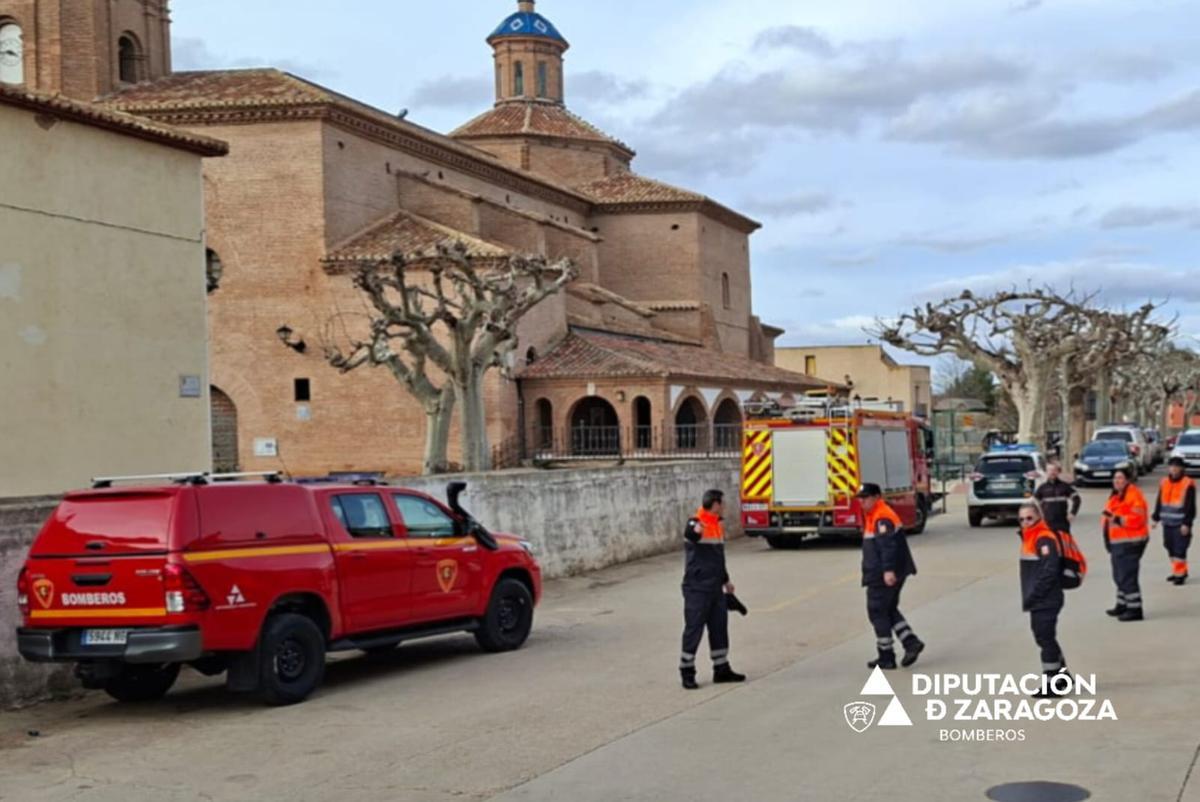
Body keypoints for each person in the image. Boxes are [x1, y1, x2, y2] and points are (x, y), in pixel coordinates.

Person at [679, 489, 745, 689]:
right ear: (715, 504)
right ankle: (687, 671)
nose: (724, 506)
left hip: (716, 587)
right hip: (697, 588)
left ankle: (721, 669)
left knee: (719, 629)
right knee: (694, 630)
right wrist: (696, 530)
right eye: (722, 503)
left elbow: (718, 558)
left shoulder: (717, 525)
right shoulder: (696, 522)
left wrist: (726, 581)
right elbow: (690, 533)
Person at [858, 483, 923, 670]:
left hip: (882, 574)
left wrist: (888, 571)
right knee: (888, 609)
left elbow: (887, 546)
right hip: (886, 571)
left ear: (876, 497)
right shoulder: (874, 514)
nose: (862, 501)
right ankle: (910, 642)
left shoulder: (882, 516)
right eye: (860, 498)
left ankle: (886, 656)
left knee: (877, 611)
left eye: (865, 498)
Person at [1017, 501, 1067, 697]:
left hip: (1046, 599)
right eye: (1022, 519)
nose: (1025, 522)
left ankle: (1053, 684)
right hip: (1040, 599)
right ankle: (1063, 678)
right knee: (1047, 638)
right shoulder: (1030, 537)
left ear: (1039, 517)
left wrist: (1035, 594)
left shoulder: (1043, 538)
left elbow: (1049, 571)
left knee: (1045, 640)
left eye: (1029, 518)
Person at [1103, 467, 1150, 621]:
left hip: (1130, 542)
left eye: (1120, 478)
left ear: (1127, 480)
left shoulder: (1133, 495)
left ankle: (1135, 609)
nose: (1116, 481)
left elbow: (1138, 519)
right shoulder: (1116, 495)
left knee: (1127, 576)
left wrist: (1117, 519)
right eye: (1115, 478)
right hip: (1118, 542)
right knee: (1119, 575)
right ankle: (1122, 604)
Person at [1152, 456, 1195, 585]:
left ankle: (1180, 575)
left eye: (1176, 467)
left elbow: (1190, 506)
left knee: (1179, 549)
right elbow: (1159, 501)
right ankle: (1178, 571)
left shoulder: (1187, 483)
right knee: (1169, 547)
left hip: (1180, 524)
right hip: (1167, 523)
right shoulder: (1164, 482)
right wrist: (1155, 518)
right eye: (1172, 467)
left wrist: (1187, 523)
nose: (1174, 469)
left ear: (1181, 468)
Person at [1034, 460, 1081, 533]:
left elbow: (1077, 499)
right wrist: (1039, 516)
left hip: (1062, 522)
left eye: (1054, 470)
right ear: (1046, 472)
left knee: (1064, 540)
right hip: (1047, 522)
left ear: (1058, 472)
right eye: (1050, 470)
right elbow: (1034, 502)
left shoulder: (1064, 486)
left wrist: (1073, 513)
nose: (1052, 472)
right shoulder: (1042, 488)